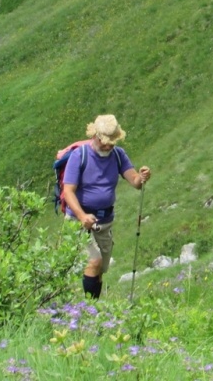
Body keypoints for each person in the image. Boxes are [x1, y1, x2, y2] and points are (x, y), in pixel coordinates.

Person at [62, 114, 151, 299]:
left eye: (112, 142)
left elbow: (135, 182)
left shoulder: (118, 155)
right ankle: (89, 308)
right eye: (105, 142)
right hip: (79, 221)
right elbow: (68, 191)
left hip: (104, 222)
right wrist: (82, 216)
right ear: (95, 136)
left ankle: (94, 306)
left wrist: (142, 177)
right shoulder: (79, 156)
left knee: (100, 268)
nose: (108, 146)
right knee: (93, 262)